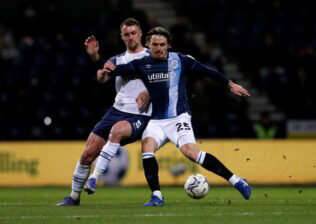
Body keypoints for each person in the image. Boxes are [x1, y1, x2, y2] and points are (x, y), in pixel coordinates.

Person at [104, 26, 252, 206]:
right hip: (156, 120)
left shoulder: (181, 61)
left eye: (162, 44)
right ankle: (157, 195)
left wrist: (229, 84)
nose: (159, 48)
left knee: (191, 152)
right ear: (148, 46)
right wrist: (108, 67)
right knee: (147, 148)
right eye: (155, 44)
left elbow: (207, 71)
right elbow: (118, 70)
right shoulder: (142, 64)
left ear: (168, 45)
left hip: (178, 118)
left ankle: (236, 181)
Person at [56, 18, 152, 206]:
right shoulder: (116, 60)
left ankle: (95, 178)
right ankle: (74, 197)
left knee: (117, 130)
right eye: (126, 34)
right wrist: (95, 57)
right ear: (122, 37)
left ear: (140, 34)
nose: (130, 37)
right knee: (88, 153)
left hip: (139, 114)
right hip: (116, 110)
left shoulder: (151, 57)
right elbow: (102, 76)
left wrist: (149, 92)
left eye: (133, 33)